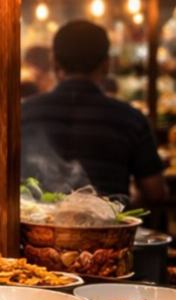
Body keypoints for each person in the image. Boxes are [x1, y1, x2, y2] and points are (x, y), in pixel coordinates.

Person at [21, 20, 167, 205]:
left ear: (54, 63)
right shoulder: (131, 119)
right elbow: (155, 191)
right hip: (108, 232)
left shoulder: (24, 113)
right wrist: (126, 203)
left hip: (33, 231)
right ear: (106, 64)